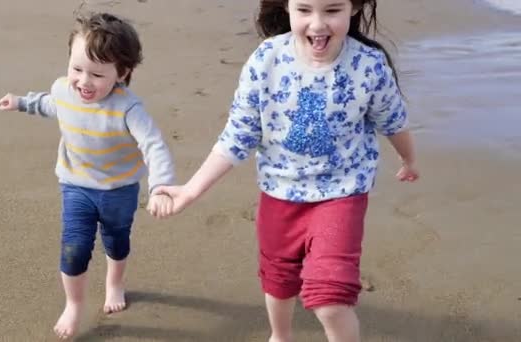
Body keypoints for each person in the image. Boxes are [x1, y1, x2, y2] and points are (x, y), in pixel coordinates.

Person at [151, 0, 419, 341]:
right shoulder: (267, 60)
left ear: (353, 7)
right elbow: (238, 135)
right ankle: (280, 335)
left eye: (332, 10)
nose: (318, 24)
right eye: (304, 10)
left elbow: (393, 121)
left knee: (330, 297)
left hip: (341, 193)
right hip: (279, 192)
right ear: (287, 7)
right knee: (278, 280)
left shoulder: (368, 65)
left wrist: (409, 159)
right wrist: (189, 190)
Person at [0, 12, 175, 340]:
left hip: (119, 189)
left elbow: (154, 145)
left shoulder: (128, 109)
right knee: (74, 246)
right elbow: (52, 104)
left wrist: (161, 185)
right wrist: (22, 102)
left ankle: (114, 282)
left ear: (122, 73)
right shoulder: (65, 90)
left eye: (96, 74)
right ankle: (74, 304)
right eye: (76, 69)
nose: (83, 81)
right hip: (75, 184)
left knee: (116, 241)